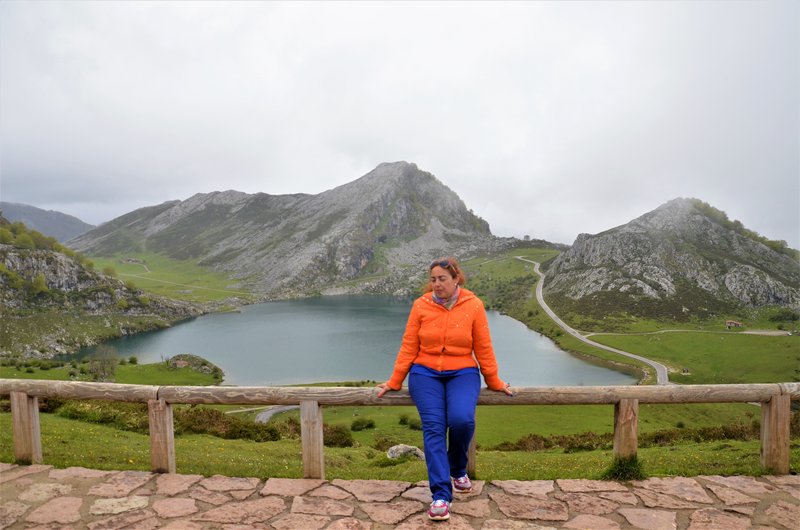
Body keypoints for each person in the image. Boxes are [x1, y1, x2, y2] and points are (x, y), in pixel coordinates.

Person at [377, 257, 513, 521]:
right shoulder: (421, 305)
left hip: (462, 371)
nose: (436, 284)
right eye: (433, 279)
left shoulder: (473, 305)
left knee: (462, 420)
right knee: (434, 427)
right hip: (424, 373)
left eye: (442, 279)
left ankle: (457, 468)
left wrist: (494, 381)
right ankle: (440, 495)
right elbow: (408, 346)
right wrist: (395, 381)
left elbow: (483, 347)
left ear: (456, 279)